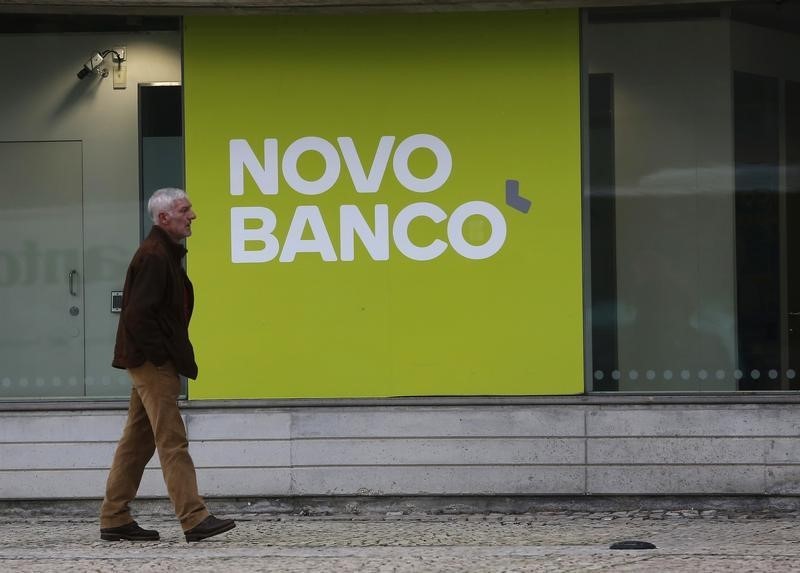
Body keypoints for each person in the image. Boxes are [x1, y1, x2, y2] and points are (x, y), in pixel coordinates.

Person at [99, 188, 235, 543]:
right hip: (152, 363)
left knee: (136, 442)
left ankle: (114, 517)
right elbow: (137, 316)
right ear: (164, 218)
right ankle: (194, 517)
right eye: (185, 210)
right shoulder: (156, 256)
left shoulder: (162, 253)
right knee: (172, 440)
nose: (193, 216)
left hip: (147, 360)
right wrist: (161, 359)